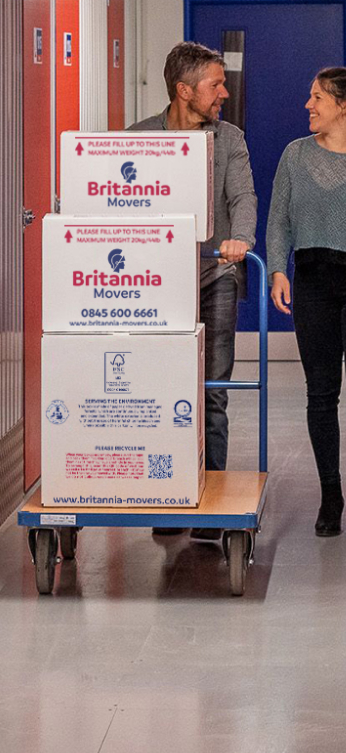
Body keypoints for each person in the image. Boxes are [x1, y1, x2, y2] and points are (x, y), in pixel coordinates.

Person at [129, 42, 257, 539]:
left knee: (211, 392)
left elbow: (242, 195)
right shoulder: (138, 138)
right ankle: (168, 496)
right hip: (154, 286)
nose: (224, 92)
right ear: (185, 91)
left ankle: (213, 506)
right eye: (215, 84)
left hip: (213, 277)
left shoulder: (228, 139)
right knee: (162, 391)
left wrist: (240, 239)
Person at [267, 67, 346, 537]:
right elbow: (278, 220)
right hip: (314, 281)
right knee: (321, 395)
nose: (308, 105)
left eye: (317, 97)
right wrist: (279, 268)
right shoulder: (295, 155)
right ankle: (331, 494)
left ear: (342, 105)